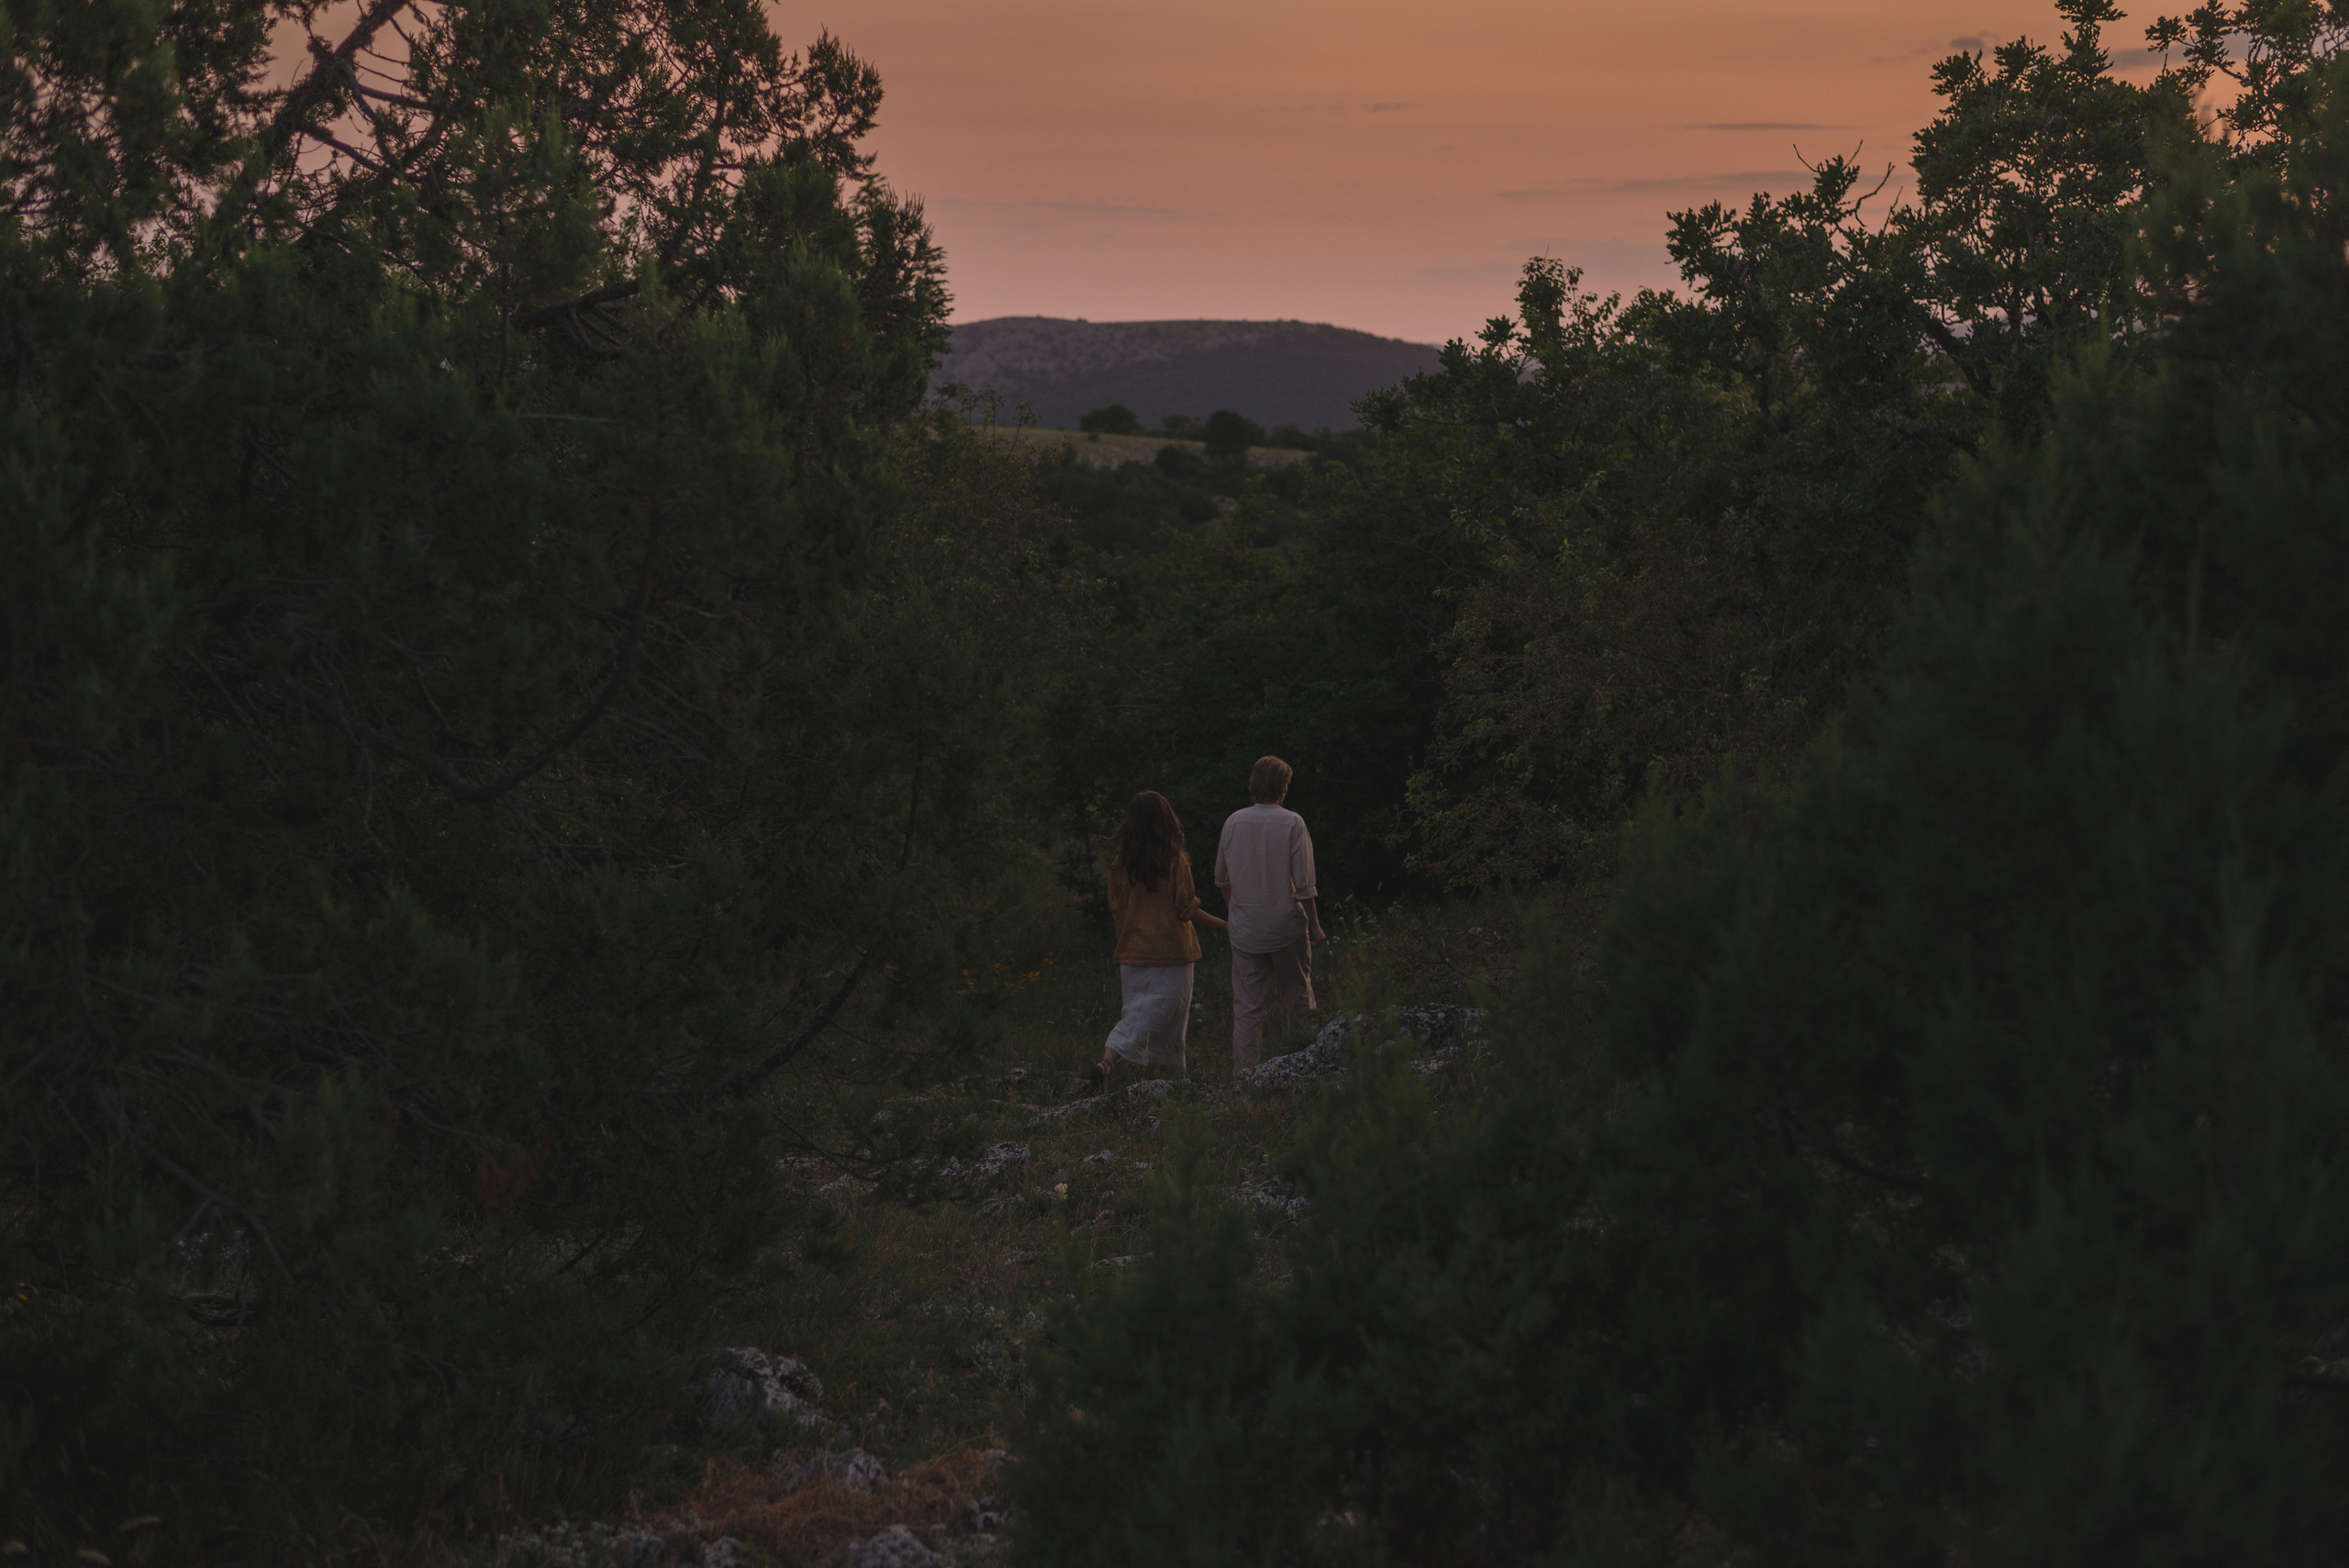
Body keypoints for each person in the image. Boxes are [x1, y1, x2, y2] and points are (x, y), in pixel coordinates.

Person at [1090, 791, 1228, 1090]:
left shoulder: (1120, 863)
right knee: (1171, 1020)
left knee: (1138, 1014)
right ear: (1166, 820)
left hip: (1133, 954)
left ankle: (1150, 1081)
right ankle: (1111, 1062)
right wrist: (1225, 925)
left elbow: (1116, 907)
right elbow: (1186, 908)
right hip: (1173, 954)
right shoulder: (1176, 860)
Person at [1213, 755, 1325, 1077]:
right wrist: (1315, 925)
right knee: (1298, 998)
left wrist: (1239, 912)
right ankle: (1304, 1068)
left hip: (1246, 931)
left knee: (1247, 1008)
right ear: (1283, 787)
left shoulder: (1233, 822)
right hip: (1286, 928)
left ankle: (1245, 1078)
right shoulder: (1292, 822)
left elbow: (1222, 880)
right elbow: (1304, 886)